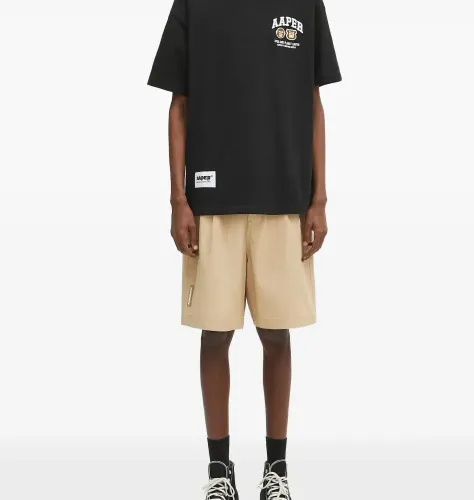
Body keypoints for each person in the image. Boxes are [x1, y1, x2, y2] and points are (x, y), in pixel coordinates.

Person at [147, 0, 341, 497]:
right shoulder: (194, 5)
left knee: (277, 334)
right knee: (215, 334)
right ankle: (220, 472)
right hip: (212, 202)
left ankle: (277, 471)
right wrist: (178, 199)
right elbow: (179, 105)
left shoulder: (304, 4)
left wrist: (319, 199)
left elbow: (314, 103)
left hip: (284, 199)